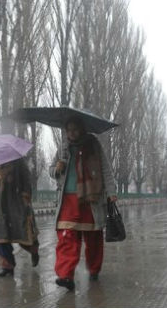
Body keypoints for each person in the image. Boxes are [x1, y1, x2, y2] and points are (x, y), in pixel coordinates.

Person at [49, 116, 117, 291]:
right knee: (67, 237)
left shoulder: (93, 144)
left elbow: (105, 169)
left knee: (93, 237)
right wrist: (57, 168)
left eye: (74, 129)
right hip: (68, 200)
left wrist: (111, 193)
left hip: (90, 199)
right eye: (68, 130)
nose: (71, 133)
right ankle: (66, 275)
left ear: (82, 129)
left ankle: (94, 269)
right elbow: (51, 170)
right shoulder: (63, 148)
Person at [0, 158, 40, 278]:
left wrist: (25, 196)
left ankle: (33, 250)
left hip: (16, 203)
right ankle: (7, 267)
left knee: (22, 232)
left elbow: (27, 180)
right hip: (1, 206)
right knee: (1, 237)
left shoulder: (19, 163)